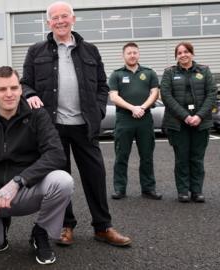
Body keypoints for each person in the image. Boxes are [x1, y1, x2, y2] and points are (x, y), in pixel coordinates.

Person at [20, 1, 131, 246]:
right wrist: (30, 95)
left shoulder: (90, 50)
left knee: (95, 176)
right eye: (55, 18)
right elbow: (25, 83)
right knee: (61, 177)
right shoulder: (36, 51)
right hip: (52, 126)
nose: (60, 21)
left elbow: (103, 86)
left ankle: (103, 227)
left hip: (85, 125)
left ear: (73, 19)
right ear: (48, 23)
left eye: (64, 16)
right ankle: (66, 225)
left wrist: (99, 110)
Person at [0, 66, 74, 265]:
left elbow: (56, 154)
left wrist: (20, 181)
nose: (9, 94)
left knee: (63, 181)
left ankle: (41, 233)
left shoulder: (37, 115)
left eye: (14, 88)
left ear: (21, 89)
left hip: (26, 188)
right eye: (2, 89)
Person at [160, 42, 217, 203]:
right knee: (181, 158)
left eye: (186, 52)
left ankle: (197, 191)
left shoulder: (204, 71)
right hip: (177, 124)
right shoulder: (169, 73)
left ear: (192, 53)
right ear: (176, 56)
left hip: (201, 123)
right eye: (179, 53)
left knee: (197, 158)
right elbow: (166, 95)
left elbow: (211, 94)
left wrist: (199, 116)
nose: (183, 55)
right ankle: (183, 191)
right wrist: (185, 116)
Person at [108, 42, 162, 200]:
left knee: (147, 155)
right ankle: (120, 189)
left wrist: (142, 108)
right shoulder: (116, 74)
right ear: (123, 55)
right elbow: (114, 96)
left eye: (135, 52)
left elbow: (155, 93)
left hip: (144, 119)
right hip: (124, 120)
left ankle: (148, 188)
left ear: (139, 54)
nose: (132, 55)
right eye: (129, 53)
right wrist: (133, 108)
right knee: (121, 155)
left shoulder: (149, 73)